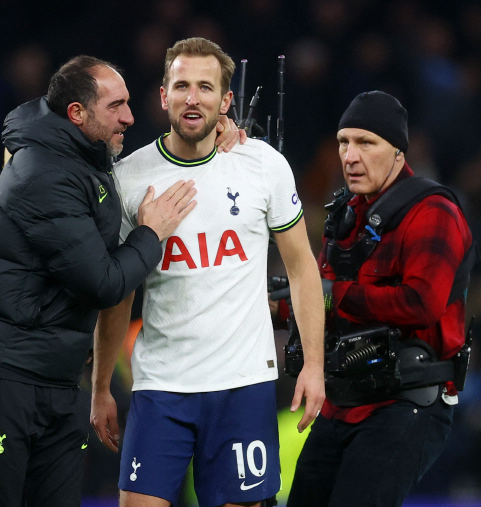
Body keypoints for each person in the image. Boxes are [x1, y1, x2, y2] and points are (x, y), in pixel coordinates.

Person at [0, 55, 242, 507]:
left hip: (56, 377)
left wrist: (218, 133)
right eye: (115, 106)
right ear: (77, 114)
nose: (130, 116)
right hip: (1, 374)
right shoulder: (44, 173)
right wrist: (150, 233)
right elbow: (102, 284)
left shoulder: (87, 160)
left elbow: (155, 159)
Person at [90, 37, 326, 507]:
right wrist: (100, 388)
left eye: (205, 86)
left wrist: (315, 367)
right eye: (181, 86)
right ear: (163, 96)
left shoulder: (263, 165)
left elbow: (302, 269)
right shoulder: (128, 179)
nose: (192, 98)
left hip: (243, 385)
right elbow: (119, 293)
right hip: (161, 387)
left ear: (226, 100)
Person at [284, 91, 475, 507]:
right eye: (343, 142)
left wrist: (333, 296)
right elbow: (317, 295)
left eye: (365, 143)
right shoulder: (344, 214)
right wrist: (278, 301)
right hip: (343, 403)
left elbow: (420, 303)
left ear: (397, 152)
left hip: (408, 403)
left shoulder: (433, 210)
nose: (350, 156)